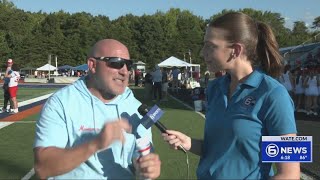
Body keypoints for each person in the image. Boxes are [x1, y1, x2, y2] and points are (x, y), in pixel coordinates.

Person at [162, 12, 299, 179]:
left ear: (235, 50)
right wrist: (189, 143)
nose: (202, 52)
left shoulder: (274, 94)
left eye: (210, 46)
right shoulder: (214, 88)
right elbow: (219, 148)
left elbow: (289, 175)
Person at [33, 39, 161, 179]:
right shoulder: (61, 103)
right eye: (116, 63)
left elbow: (143, 155)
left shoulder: (137, 108)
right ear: (92, 65)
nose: (125, 71)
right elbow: (43, 167)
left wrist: (146, 166)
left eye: (128, 65)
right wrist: (95, 144)